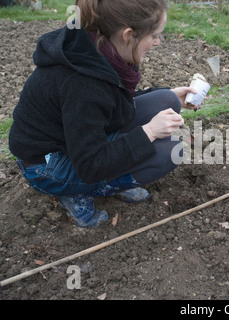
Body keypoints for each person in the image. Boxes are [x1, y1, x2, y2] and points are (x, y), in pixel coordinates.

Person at [8, 0, 200, 228]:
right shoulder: (83, 85)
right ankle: (80, 192)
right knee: (171, 150)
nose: (157, 42)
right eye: (154, 35)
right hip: (47, 166)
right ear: (128, 35)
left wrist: (168, 94)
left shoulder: (97, 46)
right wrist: (148, 132)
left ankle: (111, 178)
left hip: (74, 142)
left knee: (166, 100)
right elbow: (91, 165)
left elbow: (106, 103)